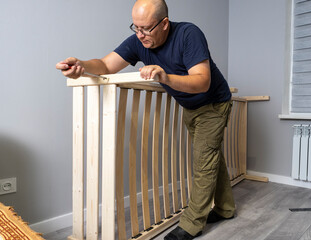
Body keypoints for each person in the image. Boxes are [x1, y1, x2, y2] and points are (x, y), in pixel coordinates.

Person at [56, 0, 235, 239]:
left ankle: (192, 224)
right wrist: (82, 65)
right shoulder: (139, 42)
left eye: (146, 29)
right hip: (190, 107)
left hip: (213, 104)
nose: (140, 35)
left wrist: (165, 76)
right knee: (210, 157)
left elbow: (203, 81)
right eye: (135, 28)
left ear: (164, 23)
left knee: (203, 160)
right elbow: (106, 65)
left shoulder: (188, 34)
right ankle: (225, 209)